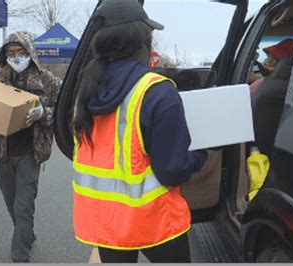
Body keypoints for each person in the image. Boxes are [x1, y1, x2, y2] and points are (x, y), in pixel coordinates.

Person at [71, 0, 208, 263]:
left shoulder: (86, 88)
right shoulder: (156, 90)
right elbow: (173, 170)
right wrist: (202, 154)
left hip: (105, 222)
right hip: (154, 221)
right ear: (141, 41)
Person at [0, 32, 60, 263]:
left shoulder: (48, 80)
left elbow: (63, 112)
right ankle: (26, 234)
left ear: (30, 53)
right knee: (11, 202)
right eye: (11, 53)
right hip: (3, 151)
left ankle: (19, 254)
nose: (16, 57)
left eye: (21, 53)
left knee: (23, 206)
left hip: (30, 152)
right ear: (4, 56)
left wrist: (44, 114)